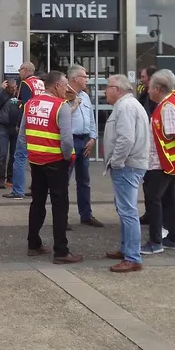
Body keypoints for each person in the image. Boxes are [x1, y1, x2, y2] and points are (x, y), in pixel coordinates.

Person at [21, 70, 82, 264]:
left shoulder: (30, 104)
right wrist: (67, 158)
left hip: (36, 161)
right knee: (60, 206)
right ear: (56, 86)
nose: (66, 89)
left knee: (37, 203)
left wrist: (32, 152)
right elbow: (67, 140)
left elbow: (22, 135)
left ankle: (33, 244)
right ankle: (61, 251)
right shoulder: (60, 106)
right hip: (56, 161)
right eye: (65, 85)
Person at [141, 69, 175, 255]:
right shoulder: (169, 102)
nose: (147, 91)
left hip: (162, 163)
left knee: (153, 199)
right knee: (169, 200)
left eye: (150, 88)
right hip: (166, 162)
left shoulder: (167, 107)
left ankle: (155, 242)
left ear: (157, 89)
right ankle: (173, 238)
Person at [101, 75, 151, 274]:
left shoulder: (125, 107)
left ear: (118, 89)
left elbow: (126, 139)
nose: (105, 90)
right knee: (124, 209)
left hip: (127, 166)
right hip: (131, 164)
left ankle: (132, 257)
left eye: (108, 87)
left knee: (128, 211)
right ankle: (126, 250)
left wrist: (116, 162)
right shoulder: (129, 105)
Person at [66, 66, 104, 228]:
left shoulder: (85, 96)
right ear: (75, 78)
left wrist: (93, 137)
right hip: (70, 141)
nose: (87, 79)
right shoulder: (63, 94)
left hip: (85, 140)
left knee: (84, 180)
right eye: (84, 76)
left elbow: (91, 119)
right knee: (64, 181)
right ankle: (62, 218)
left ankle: (86, 215)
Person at [4, 62, 45, 199]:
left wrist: (19, 123)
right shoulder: (40, 83)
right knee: (36, 157)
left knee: (20, 156)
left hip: (29, 122)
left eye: (20, 69)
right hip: (41, 121)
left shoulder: (26, 83)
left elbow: (26, 104)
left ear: (26, 70)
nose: (19, 72)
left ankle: (18, 191)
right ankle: (37, 188)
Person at [0, 78, 22, 189]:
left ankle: (10, 178)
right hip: (4, 127)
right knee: (2, 154)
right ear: (7, 87)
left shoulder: (19, 94)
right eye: (11, 87)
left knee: (13, 155)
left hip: (15, 127)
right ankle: (0, 179)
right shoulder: (3, 94)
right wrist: (0, 89)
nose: (14, 89)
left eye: (15, 87)